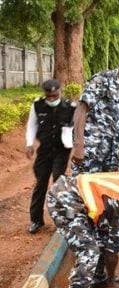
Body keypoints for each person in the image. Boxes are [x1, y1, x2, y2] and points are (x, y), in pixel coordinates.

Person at [71, 53, 119, 176]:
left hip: (113, 155)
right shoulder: (102, 80)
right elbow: (81, 110)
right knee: (85, 191)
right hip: (92, 152)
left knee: (109, 191)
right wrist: (78, 145)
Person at [26, 79, 76, 234]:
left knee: (58, 181)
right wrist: (29, 143)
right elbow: (32, 125)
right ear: (45, 94)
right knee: (40, 183)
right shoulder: (37, 105)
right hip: (44, 150)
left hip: (61, 150)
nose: (52, 99)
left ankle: (62, 218)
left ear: (59, 92)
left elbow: (76, 128)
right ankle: (36, 220)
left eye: (55, 95)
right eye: (49, 96)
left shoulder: (70, 106)